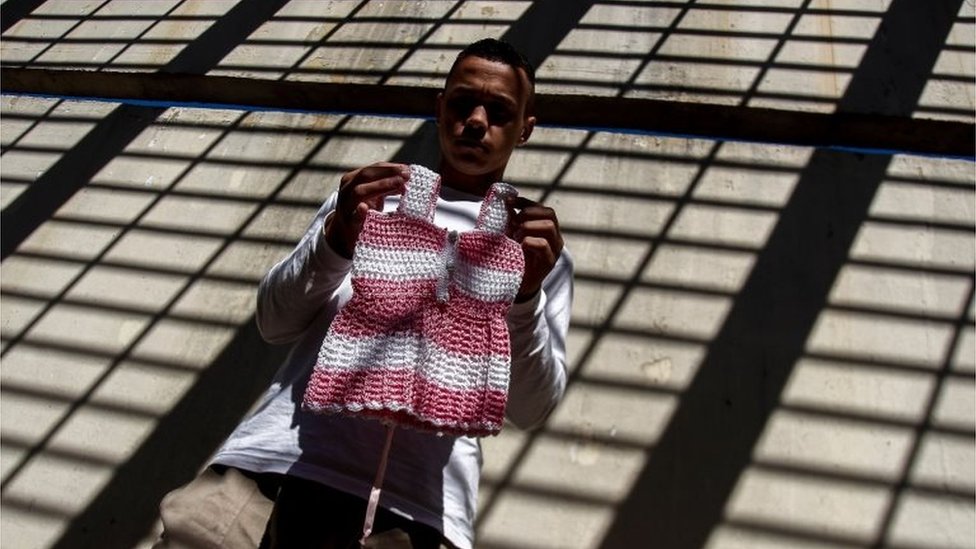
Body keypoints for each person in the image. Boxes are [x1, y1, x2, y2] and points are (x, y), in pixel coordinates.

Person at [154, 38, 573, 549]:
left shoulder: (536, 247)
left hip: (416, 511)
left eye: (500, 111)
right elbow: (274, 322)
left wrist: (526, 296)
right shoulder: (367, 200)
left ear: (526, 127)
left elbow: (531, 408)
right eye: (463, 103)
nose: (477, 120)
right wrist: (336, 241)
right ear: (440, 108)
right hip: (270, 468)